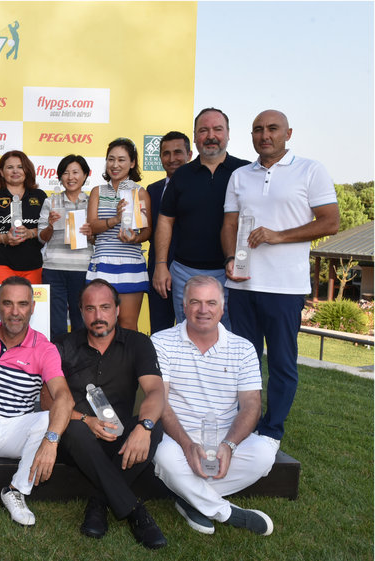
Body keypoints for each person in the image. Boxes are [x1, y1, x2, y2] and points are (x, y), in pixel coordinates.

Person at [222, 110, 339, 443]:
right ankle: (244, 423)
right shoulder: (240, 175)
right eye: (258, 129)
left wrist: (279, 236)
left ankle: (271, 430)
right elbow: (230, 224)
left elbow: (330, 222)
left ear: (288, 133)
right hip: (242, 284)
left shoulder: (310, 170)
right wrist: (229, 258)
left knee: (282, 364)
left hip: (285, 288)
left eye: (273, 128)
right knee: (244, 363)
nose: (265, 135)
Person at [152, 275, 277, 536]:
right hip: (177, 438)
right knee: (164, 457)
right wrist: (188, 446)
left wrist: (229, 446)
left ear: (222, 307)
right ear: (184, 306)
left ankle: (190, 497)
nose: (203, 310)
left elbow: (251, 405)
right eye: (195, 302)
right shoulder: (160, 342)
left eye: (211, 303)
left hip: (223, 437)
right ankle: (225, 512)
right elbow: (160, 402)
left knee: (264, 454)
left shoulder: (243, 348)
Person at [51, 279, 167, 549]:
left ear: (117, 309)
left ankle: (99, 502)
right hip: (78, 439)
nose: (98, 316)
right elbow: (49, 400)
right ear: (80, 312)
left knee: (155, 425)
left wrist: (144, 427)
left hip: (119, 436)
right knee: (73, 428)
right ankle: (135, 511)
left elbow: (155, 392)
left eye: (105, 307)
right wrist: (86, 420)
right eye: (90, 309)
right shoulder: (62, 344)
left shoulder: (138, 343)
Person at [0, 276, 74, 527]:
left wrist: (51, 442)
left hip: (16, 430)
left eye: (22, 304)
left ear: (33, 307)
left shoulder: (45, 348)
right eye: (8, 304)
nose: (15, 312)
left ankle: (16, 490)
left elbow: (64, 397)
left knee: (48, 418)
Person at [153, 108, 250, 327]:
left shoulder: (246, 171)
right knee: (188, 335)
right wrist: (160, 265)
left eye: (217, 129)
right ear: (195, 136)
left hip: (233, 274)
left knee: (229, 337)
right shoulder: (181, 175)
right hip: (184, 273)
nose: (211, 136)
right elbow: (165, 221)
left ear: (228, 133)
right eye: (204, 130)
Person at [86, 138, 153, 331]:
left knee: (128, 325)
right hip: (102, 263)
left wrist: (135, 238)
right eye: (111, 159)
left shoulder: (140, 193)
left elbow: (147, 231)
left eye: (121, 160)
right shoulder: (97, 191)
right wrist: (116, 219)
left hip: (130, 264)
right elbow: (91, 227)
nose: (115, 165)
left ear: (132, 163)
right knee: (99, 325)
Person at [38, 154, 93, 340]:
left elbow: (98, 239)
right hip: (54, 269)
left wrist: (91, 234)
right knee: (56, 324)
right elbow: (41, 238)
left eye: (76, 172)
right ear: (60, 176)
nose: (71, 177)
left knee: (81, 322)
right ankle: (58, 356)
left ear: (85, 175)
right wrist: (50, 226)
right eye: (66, 173)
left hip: (82, 269)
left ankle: (80, 357)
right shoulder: (51, 202)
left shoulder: (92, 202)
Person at [0, 150, 46, 284]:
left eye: (20, 167)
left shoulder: (40, 196)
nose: (15, 171)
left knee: (31, 299)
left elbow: (48, 229)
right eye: (10, 167)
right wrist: (4, 238)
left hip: (33, 265)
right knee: (4, 298)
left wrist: (30, 233)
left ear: (27, 170)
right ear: (2, 172)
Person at [146, 132, 192, 334]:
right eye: (166, 153)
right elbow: (149, 230)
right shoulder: (152, 190)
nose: (172, 159)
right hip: (158, 270)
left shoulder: (201, 186)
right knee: (159, 330)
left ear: (189, 154)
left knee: (192, 329)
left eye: (177, 152)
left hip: (192, 270)